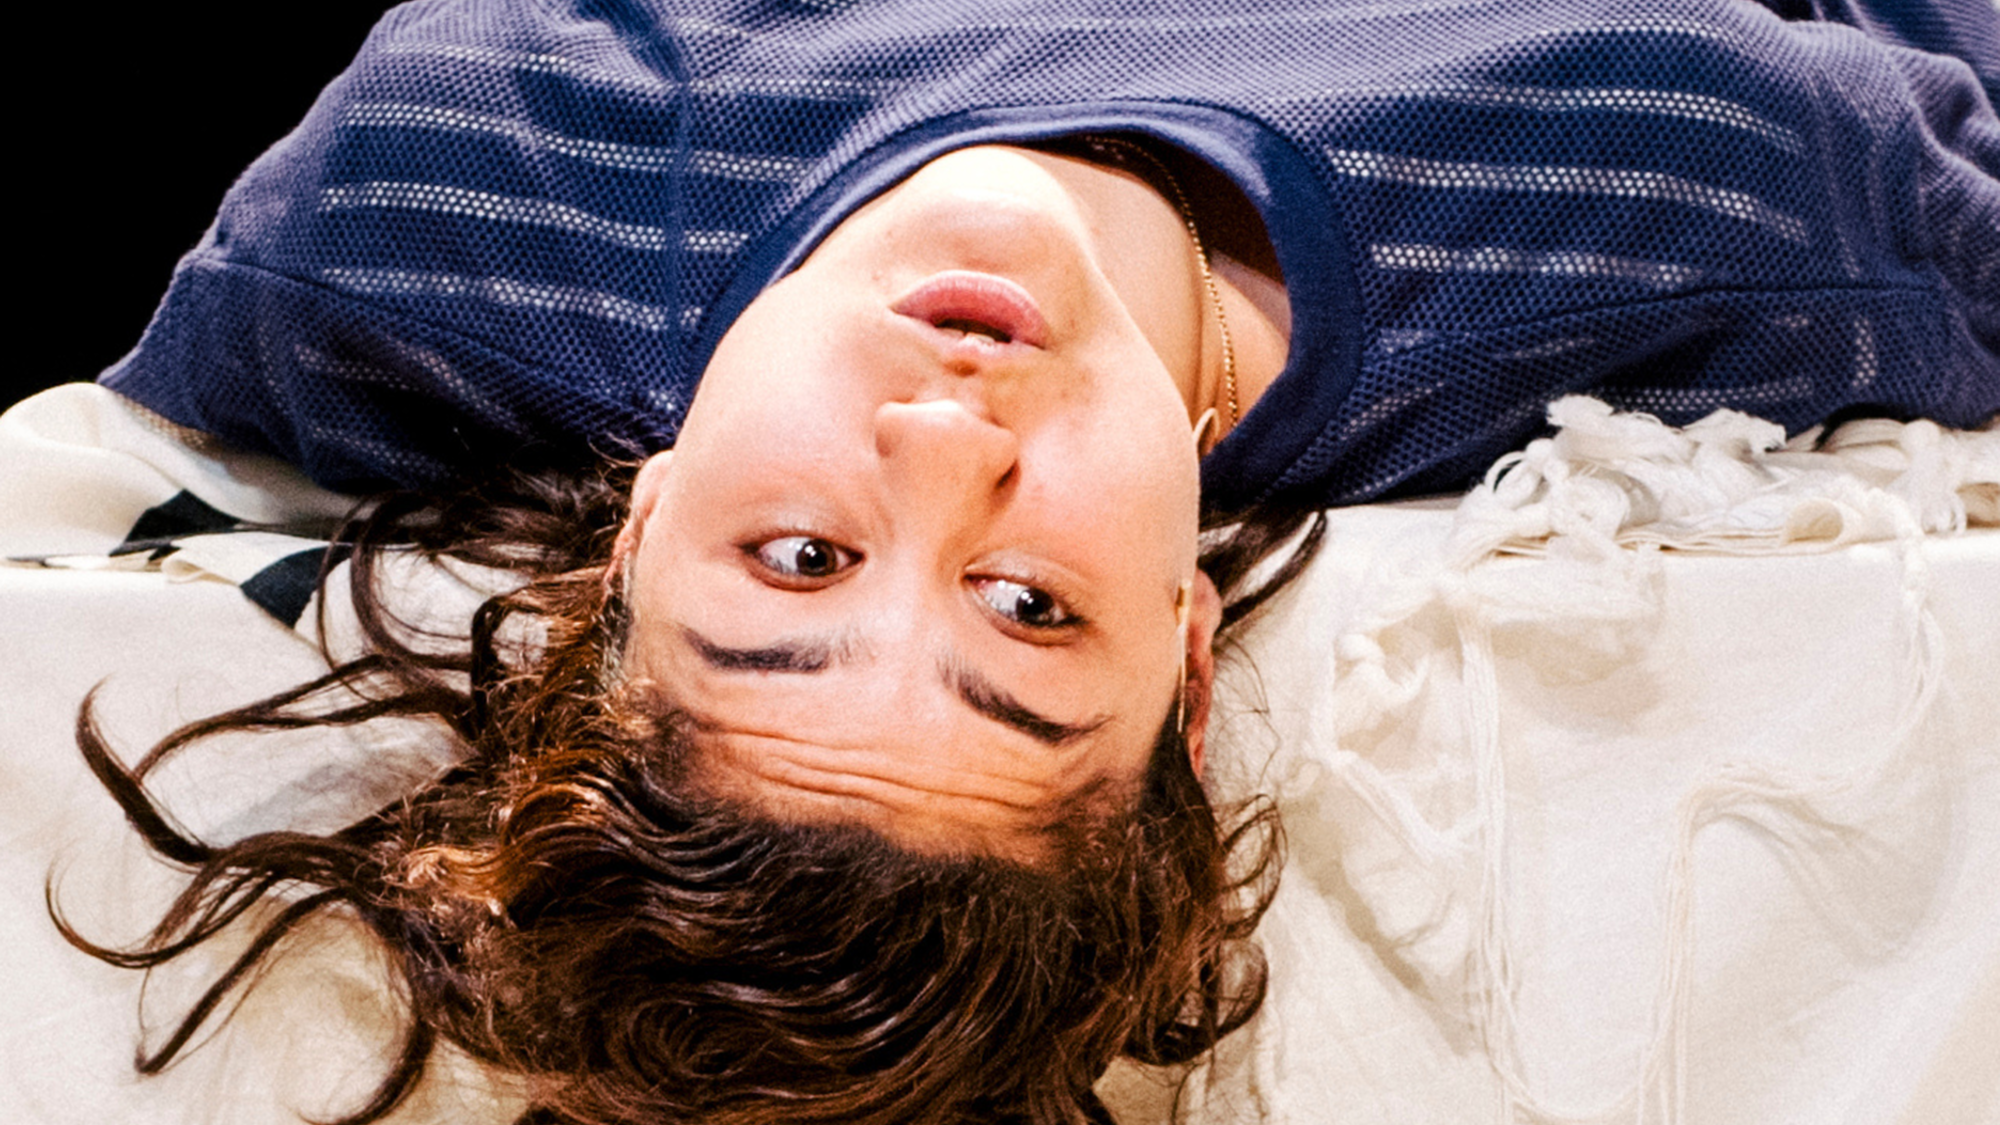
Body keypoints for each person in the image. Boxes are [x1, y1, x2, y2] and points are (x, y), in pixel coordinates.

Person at [57, 0, 1997, 1123]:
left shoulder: (446, 203)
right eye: (1027, 613)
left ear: (633, 522)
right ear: (1191, 646)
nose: (947, 440)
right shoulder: (1697, 194)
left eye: (802, 554)